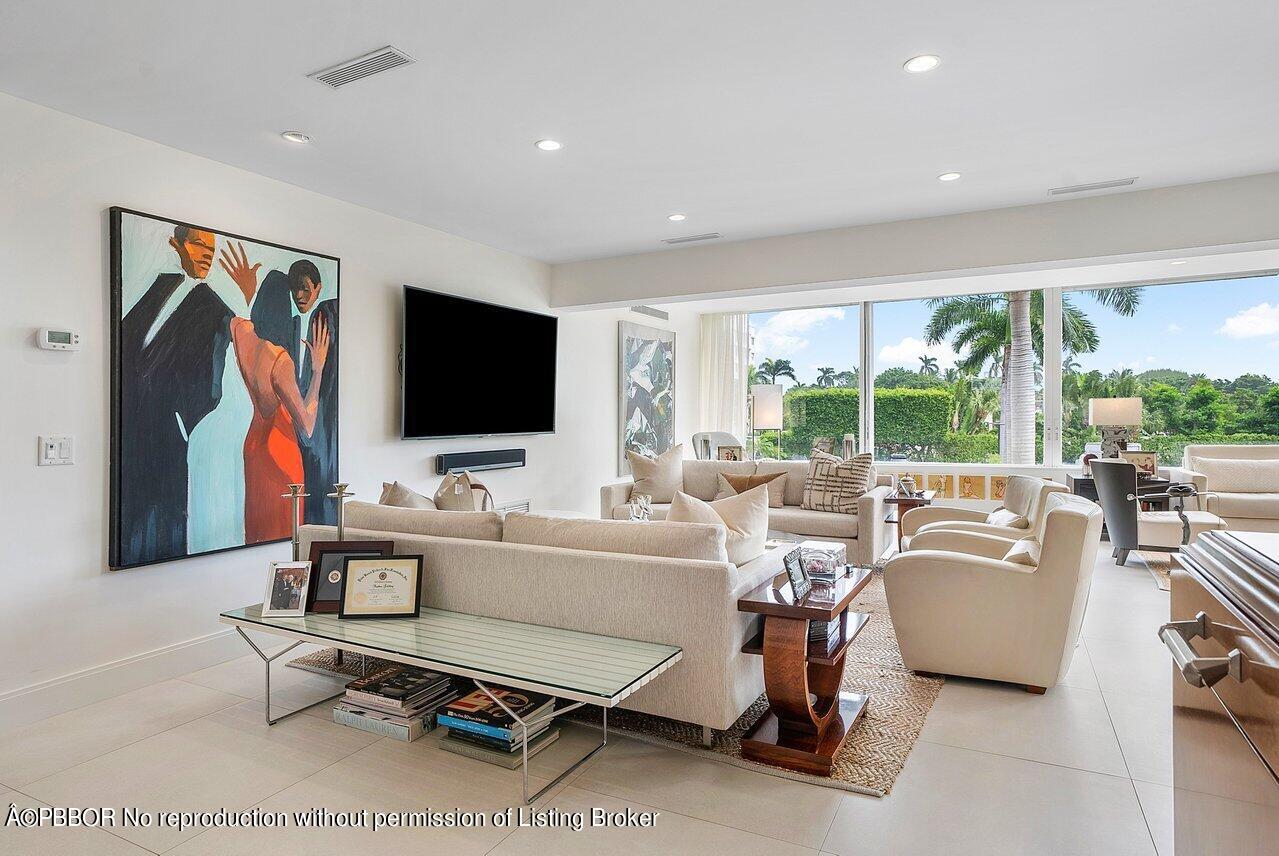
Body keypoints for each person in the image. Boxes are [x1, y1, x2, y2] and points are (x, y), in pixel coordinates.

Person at [116, 227, 234, 567]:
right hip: (130, 422)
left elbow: (212, 378)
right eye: (199, 244)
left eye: (212, 248)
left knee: (166, 513)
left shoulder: (214, 307)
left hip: (169, 427)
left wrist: (184, 421)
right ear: (176, 245)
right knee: (130, 513)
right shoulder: (158, 287)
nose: (207, 253)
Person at [219, 242, 331, 543]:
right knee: (284, 539)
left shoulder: (243, 336)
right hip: (281, 452)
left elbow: (247, 317)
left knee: (257, 535)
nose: (298, 299)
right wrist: (318, 369)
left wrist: (249, 291)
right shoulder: (280, 360)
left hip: (254, 447)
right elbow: (306, 424)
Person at [249, 260, 339, 524]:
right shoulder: (281, 339)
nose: (299, 296)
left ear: (318, 288)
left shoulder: (326, 316)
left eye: (305, 289)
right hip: (287, 440)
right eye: (294, 290)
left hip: (308, 440)